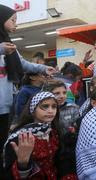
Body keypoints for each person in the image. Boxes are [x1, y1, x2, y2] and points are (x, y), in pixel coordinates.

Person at [0, 4, 56, 155]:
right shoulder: (4, 46)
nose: (15, 24)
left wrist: (43, 69)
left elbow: (22, 64)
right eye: (12, 20)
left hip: (6, 104)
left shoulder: (9, 43)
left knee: (3, 143)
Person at [3, 92, 77, 179]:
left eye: (54, 107)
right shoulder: (20, 136)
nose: (50, 110)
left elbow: (61, 159)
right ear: (33, 110)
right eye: (45, 106)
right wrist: (22, 164)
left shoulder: (54, 131)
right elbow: (8, 172)